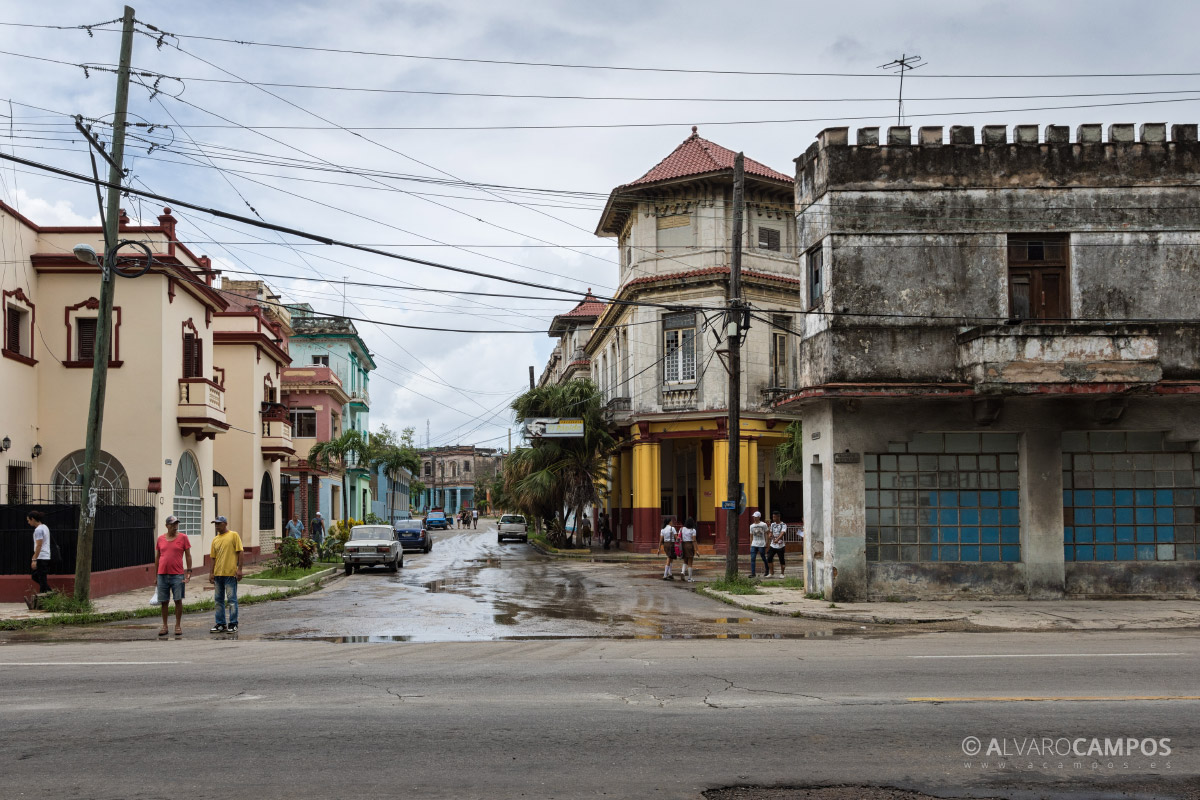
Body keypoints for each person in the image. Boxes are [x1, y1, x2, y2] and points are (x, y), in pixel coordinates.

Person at [154, 515, 192, 637]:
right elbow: (158, 557)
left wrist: (189, 572)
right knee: (164, 601)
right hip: (162, 574)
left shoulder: (183, 538)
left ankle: (178, 625)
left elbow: (188, 555)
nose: (175, 526)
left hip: (177, 574)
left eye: (176, 524)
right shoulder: (160, 539)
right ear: (167, 526)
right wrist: (156, 575)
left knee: (178, 600)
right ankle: (164, 626)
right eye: (173, 524)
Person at [209, 516, 244, 634]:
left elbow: (240, 552)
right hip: (218, 574)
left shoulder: (233, 535)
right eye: (215, 524)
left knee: (232, 600)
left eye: (219, 524)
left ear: (225, 524)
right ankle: (220, 623)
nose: (216, 526)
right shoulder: (215, 539)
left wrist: (239, 569)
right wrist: (211, 573)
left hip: (230, 574)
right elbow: (213, 558)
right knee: (218, 600)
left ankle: (233, 623)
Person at [27, 510, 51, 599]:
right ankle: (49, 593)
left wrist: (34, 559)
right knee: (39, 577)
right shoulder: (45, 527)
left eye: (29, 520)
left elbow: (39, 545)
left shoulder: (38, 530)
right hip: (45, 556)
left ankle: (46, 595)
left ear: (32, 519)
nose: (28, 523)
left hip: (41, 557)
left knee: (41, 578)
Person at [749, 511, 769, 578]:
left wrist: (766, 542)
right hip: (754, 544)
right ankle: (753, 573)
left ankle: (767, 570)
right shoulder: (751, 526)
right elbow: (751, 535)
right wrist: (751, 544)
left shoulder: (763, 525)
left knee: (763, 557)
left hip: (761, 543)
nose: (754, 518)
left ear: (759, 517)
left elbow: (766, 533)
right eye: (754, 516)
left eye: (756, 516)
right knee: (752, 558)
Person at [767, 511, 788, 577]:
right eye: (773, 517)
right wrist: (770, 535)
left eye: (774, 517)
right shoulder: (772, 524)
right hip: (773, 545)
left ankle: (782, 573)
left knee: (781, 559)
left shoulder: (783, 525)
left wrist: (777, 539)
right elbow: (770, 531)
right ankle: (771, 572)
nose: (773, 518)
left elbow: (782, 533)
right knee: (769, 558)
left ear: (778, 517)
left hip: (780, 545)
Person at [679, 516, 698, 582]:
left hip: (683, 545)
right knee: (690, 562)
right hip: (690, 545)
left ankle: (682, 572)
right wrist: (696, 550)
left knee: (685, 561)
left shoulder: (682, 529)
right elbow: (694, 540)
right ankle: (689, 578)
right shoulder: (693, 530)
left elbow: (679, 537)